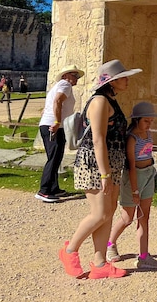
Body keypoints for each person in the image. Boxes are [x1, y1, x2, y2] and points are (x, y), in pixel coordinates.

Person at [59, 59, 142, 279]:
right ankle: (70, 250)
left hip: (111, 162)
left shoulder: (110, 101)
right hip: (96, 163)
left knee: (107, 213)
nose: (126, 81)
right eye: (122, 77)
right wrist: (105, 173)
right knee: (100, 213)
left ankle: (100, 262)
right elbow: (98, 139)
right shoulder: (100, 102)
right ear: (112, 82)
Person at [107, 102, 157, 270]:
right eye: (146, 121)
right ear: (137, 120)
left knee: (144, 217)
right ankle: (110, 242)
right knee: (127, 218)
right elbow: (131, 165)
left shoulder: (148, 134)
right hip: (134, 177)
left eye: (151, 121)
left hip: (148, 174)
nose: (149, 124)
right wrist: (134, 190)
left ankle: (144, 256)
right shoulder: (132, 138)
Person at [35, 65, 84, 203]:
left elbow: (49, 105)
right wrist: (56, 121)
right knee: (54, 157)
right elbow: (57, 101)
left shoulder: (59, 85)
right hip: (54, 125)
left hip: (52, 125)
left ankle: (53, 187)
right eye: (74, 75)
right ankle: (44, 190)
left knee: (55, 156)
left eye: (77, 76)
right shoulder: (65, 84)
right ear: (66, 76)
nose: (76, 79)